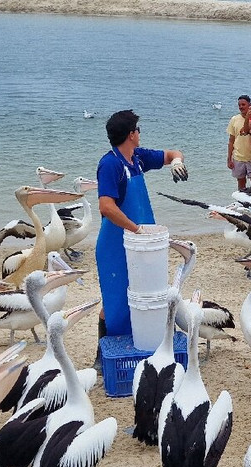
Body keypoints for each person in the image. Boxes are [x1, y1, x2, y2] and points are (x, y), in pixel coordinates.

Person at [95, 109, 186, 338]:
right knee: (115, 301)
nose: (139, 133)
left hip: (143, 243)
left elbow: (172, 154)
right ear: (131, 134)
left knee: (144, 294)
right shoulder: (110, 164)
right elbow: (106, 207)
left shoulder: (137, 157)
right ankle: (105, 348)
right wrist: (135, 229)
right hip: (115, 245)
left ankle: (143, 339)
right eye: (138, 129)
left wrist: (176, 162)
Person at [226, 94, 251, 191]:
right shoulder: (234, 119)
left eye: (243, 104)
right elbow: (231, 140)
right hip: (238, 157)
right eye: (239, 105)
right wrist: (229, 159)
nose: (241, 107)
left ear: (249, 105)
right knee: (241, 184)